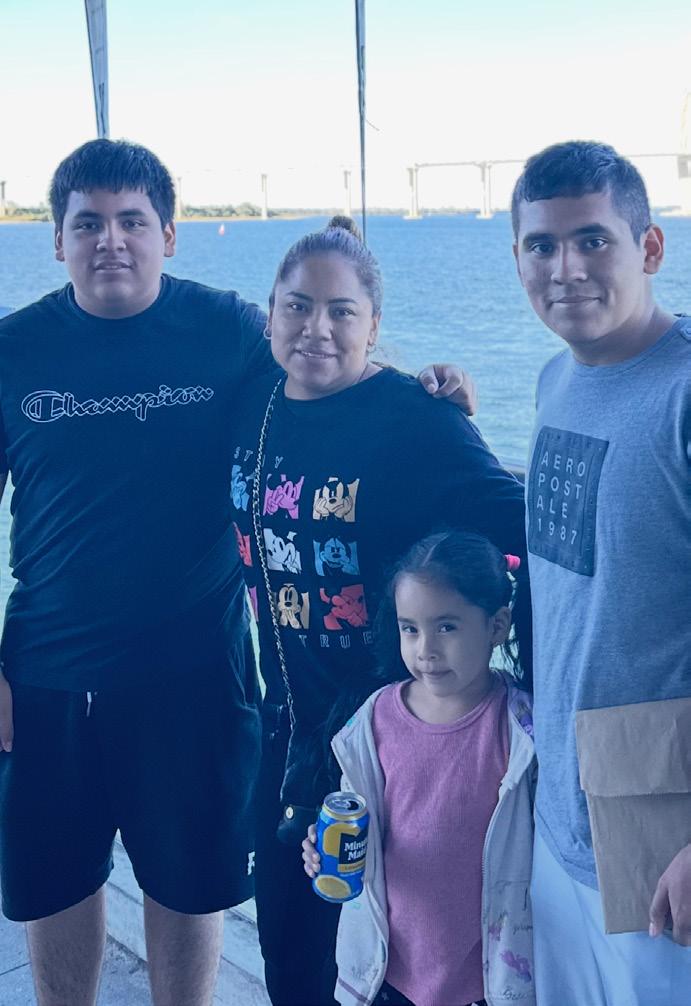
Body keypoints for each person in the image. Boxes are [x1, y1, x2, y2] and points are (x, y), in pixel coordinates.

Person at [0, 140, 476, 1006]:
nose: (111, 240)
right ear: (57, 239)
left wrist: (424, 394)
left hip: (196, 669)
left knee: (190, 881)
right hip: (45, 671)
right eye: (88, 223)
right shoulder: (13, 349)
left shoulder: (225, 328)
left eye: (132, 221)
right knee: (54, 880)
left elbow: (324, 359)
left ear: (168, 235)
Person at [228, 217, 530, 1005]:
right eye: (297, 306)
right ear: (269, 312)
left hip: (390, 743)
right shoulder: (250, 402)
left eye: (341, 312)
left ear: (373, 325)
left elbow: (525, 529)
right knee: (294, 961)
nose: (316, 328)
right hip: (286, 734)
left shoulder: (414, 419)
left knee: (396, 969)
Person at [512, 140, 691, 1004]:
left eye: (591, 240)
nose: (565, 268)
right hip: (561, 808)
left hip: (664, 829)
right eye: (541, 245)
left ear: (647, 248)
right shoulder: (554, 379)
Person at [302, 530, 536, 1006]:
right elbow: (356, 824)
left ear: (497, 626)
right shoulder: (375, 719)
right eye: (410, 628)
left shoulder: (523, 730)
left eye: (446, 627)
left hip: (486, 984)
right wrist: (321, 851)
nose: (425, 648)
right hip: (386, 977)